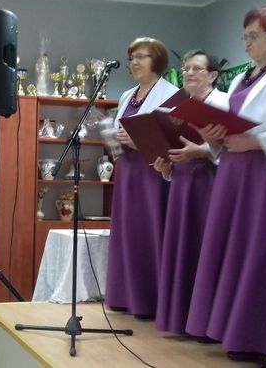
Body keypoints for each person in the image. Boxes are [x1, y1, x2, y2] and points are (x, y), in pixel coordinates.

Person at [185, 3, 266, 363]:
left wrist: (253, 142)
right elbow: (231, 127)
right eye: (245, 37)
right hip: (234, 173)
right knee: (234, 249)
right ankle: (234, 331)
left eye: (254, 36)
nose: (247, 43)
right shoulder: (242, 78)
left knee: (261, 250)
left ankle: (262, 337)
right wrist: (215, 136)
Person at [153, 50, 226, 335]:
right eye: (186, 69)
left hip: (209, 184)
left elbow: (231, 146)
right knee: (182, 249)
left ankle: (205, 324)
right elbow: (174, 147)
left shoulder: (223, 103)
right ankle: (181, 319)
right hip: (182, 185)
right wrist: (165, 166)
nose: (189, 73)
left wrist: (203, 151)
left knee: (204, 248)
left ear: (213, 75)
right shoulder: (178, 107)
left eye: (197, 69)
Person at [105, 37, 178, 319]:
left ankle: (149, 302)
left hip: (152, 172)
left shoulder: (172, 95)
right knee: (126, 233)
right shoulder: (128, 95)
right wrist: (113, 138)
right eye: (131, 58)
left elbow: (173, 141)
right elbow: (120, 132)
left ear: (156, 60)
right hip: (127, 172)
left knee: (148, 233)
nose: (134, 63)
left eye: (141, 57)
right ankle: (123, 296)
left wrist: (138, 142)